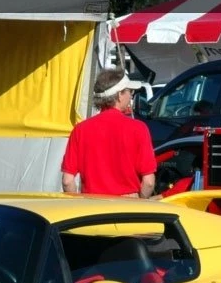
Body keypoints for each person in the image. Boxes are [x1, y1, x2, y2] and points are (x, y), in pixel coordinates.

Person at [61, 68, 157, 199]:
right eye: (129, 91)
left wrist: (79, 202)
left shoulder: (80, 130)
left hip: (92, 206)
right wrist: (139, 199)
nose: (131, 95)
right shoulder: (138, 128)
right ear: (119, 95)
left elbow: (67, 181)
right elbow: (149, 182)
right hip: (128, 206)